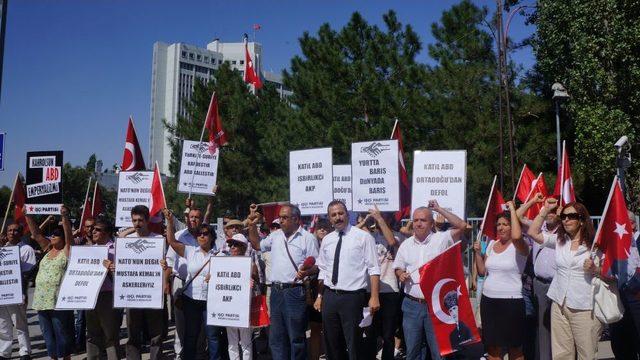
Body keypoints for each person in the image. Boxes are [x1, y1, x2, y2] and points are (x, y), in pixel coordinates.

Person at [527, 199, 602, 360]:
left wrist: (595, 269)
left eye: (571, 216)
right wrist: (545, 210)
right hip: (559, 303)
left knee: (586, 354)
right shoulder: (561, 241)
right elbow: (533, 233)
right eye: (563, 217)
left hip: (584, 306)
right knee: (561, 354)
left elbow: (609, 273)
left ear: (582, 220)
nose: (566, 220)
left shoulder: (594, 245)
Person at [393, 200, 468, 360]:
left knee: (438, 352)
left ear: (432, 223)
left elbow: (462, 226)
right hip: (412, 304)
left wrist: (440, 209)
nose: (418, 223)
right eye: (416, 220)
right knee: (413, 351)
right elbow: (398, 266)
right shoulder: (405, 245)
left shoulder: (442, 239)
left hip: (436, 305)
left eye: (423, 220)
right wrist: (400, 274)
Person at [247, 203, 319, 360]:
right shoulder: (275, 235)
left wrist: (307, 271)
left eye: (285, 218)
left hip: (295, 292)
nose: (281, 221)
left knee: (296, 337)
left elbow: (317, 266)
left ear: (296, 219)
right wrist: (252, 225)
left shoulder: (308, 238)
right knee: (276, 338)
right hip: (276, 292)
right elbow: (257, 245)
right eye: (280, 217)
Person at [314, 200, 380, 360]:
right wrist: (320, 296)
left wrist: (374, 296)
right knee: (332, 343)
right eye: (333, 215)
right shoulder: (327, 239)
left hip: (352, 298)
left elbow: (374, 268)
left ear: (347, 214)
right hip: (330, 297)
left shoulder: (363, 237)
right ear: (329, 219)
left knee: (354, 344)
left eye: (340, 213)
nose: (337, 217)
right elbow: (323, 269)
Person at [163, 208, 221, 360]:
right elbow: (172, 241)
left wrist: (215, 276)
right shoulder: (190, 251)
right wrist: (170, 222)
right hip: (191, 299)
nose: (202, 236)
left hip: (210, 300)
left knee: (212, 335)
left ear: (211, 236)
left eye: (205, 234)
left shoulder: (219, 254)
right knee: (191, 334)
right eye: (200, 234)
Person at [474, 201, 529, 360]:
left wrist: (512, 208)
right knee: (492, 349)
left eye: (505, 224)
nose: (501, 227)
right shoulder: (492, 244)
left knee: (515, 350)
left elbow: (517, 236)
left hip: (511, 303)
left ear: (513, 226)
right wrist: (478, 253)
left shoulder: (520, 246)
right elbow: (483, 271)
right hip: (489, 302)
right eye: (498, 224)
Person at [25, 206, 74, 360]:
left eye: (56, 235)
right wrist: (28, 215)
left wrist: (64, 216)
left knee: (61, 331)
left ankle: (66, 357)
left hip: (57, 300)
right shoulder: (47, 249)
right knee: (47, 333)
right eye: (52, 234)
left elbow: (68, 234)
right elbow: (36, 233)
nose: (53, 236)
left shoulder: (66, 251)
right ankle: (53, 357)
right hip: (41, 300)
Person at [120, 205, 166, 360]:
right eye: (134, 220)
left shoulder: (158, 239)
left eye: (140, 220)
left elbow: (164, 265)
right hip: (132, 294)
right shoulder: (127, 240)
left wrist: (164, 267)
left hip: (152, 292)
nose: (137, 223)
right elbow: (120, 238)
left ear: (148, 221)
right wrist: (132, 231)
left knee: (156, 334)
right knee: (133, 333)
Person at [516, 193, 559, 360]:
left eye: (554, 210)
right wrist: (534, 201)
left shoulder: (564, 230)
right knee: (543, 329)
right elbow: (518, 216)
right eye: (548, 210)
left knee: (561, 330)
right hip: (540, 285)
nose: (550, 213)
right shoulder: (537, 227)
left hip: (558, 284)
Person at [359, 206, 403, 360]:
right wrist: (365, 220)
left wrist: (379, 218)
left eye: (385, 216)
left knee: (388, 333)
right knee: (369, 332)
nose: (380, 218)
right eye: (379, 216)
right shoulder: (368, 236)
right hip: (370, 290)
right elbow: (350, 232)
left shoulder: (398, 236)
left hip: (390, 290)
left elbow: (391, 241)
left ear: (390, 218)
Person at [85, 217, 121, 360]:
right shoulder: (88, 250)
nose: (93, 231)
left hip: (108, 295)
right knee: (92, 334)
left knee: (110, 334)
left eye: (98, 230)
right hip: (91, 295)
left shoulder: (117, 249)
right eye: (93, 229)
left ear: (106, 233)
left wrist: (112, 268)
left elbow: (125, 274)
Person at [0, 223, 36, 360]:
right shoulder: (3, 249)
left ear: (21, 233)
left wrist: (24, 293)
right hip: (3, 292)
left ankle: (25, 352)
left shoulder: (26, 249)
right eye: (9, 230)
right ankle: (4, 352)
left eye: (15, 230)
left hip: (17, 292)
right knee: (3, 324)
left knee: (20, 324)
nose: (12, 232)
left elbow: (28, 273)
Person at [220, 233, 258, 360]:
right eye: (231, 245)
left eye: (236, 244)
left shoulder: (250, 263)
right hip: (229, 307)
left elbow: (257, 279)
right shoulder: (224, 263)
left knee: (246, 342)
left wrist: (253, 278)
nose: (232, 247)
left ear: (243, 247)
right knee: (232, 342)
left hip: (244, 308)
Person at [607, 209, 640, 359]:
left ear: (632, 224)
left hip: (636, 295)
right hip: (617, 295)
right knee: (620, 339)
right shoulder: (613, 243)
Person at [308, 218, 332, 360]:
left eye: (325, 227)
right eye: (320, 228)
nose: (322, 230)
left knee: (330, 329)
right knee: (315, 328)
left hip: (329, 290)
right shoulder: (311, 245)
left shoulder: (334, 244)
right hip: (314, 290)